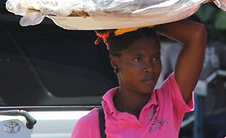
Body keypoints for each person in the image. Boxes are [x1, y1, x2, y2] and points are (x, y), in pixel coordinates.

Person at [71, 19, 207, 137]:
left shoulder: (169, 103)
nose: (149, 67)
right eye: (138, 59)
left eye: (155, 58)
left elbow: (196, 33)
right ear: (115, 62)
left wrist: (141, 20)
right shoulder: (93, 124)